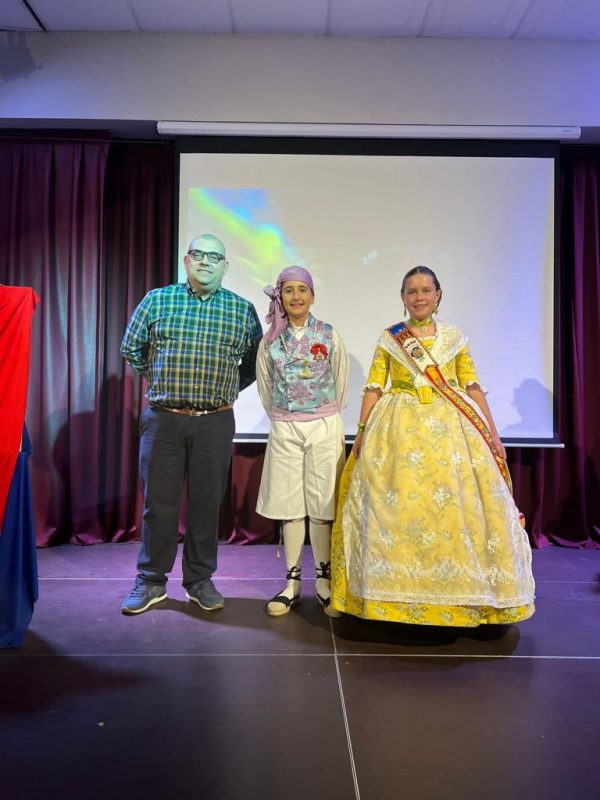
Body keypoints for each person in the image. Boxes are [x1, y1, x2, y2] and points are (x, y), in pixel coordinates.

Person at [330, 266, 535, 626]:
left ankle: (464, 599)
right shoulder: (391, 338)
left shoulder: (454, 337)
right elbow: (374, 387)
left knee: (456, 509)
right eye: (411, 291)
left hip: (452, 431)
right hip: (396, 430)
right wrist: (361, 430)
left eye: (426, 290)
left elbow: (471, 386)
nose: (419, 297)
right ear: (402, 297)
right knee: (396, 508)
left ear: (438, 295)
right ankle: (387, 596)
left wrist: (492, 433)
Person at [120, 234, 262, 614]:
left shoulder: (241, 310)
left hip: (214, 422)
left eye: (214, 257)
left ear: (225, 266)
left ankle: (199, 580)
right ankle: (151, 581)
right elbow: (131, 347)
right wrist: (162, 379)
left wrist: (224, 388)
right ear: (186, 261)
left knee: (205, 506)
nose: (205, 262)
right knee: (159, 505)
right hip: (164, 421)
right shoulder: (158, 299)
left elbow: (254, 364)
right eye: (198, 254)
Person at [256, 267, 348, 617]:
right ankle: (292, 583)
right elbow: (265, 385)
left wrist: (321, 413)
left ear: (312, 296)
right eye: (288, 290)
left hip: (324, 425)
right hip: (285, 427)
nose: (296, 297)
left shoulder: (329, 334)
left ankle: (324, 582)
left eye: (302, 290)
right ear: (280, 297)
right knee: (290, 506)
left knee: (323, 506)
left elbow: (340, 381)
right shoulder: (270, 340)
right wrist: (285, 415)